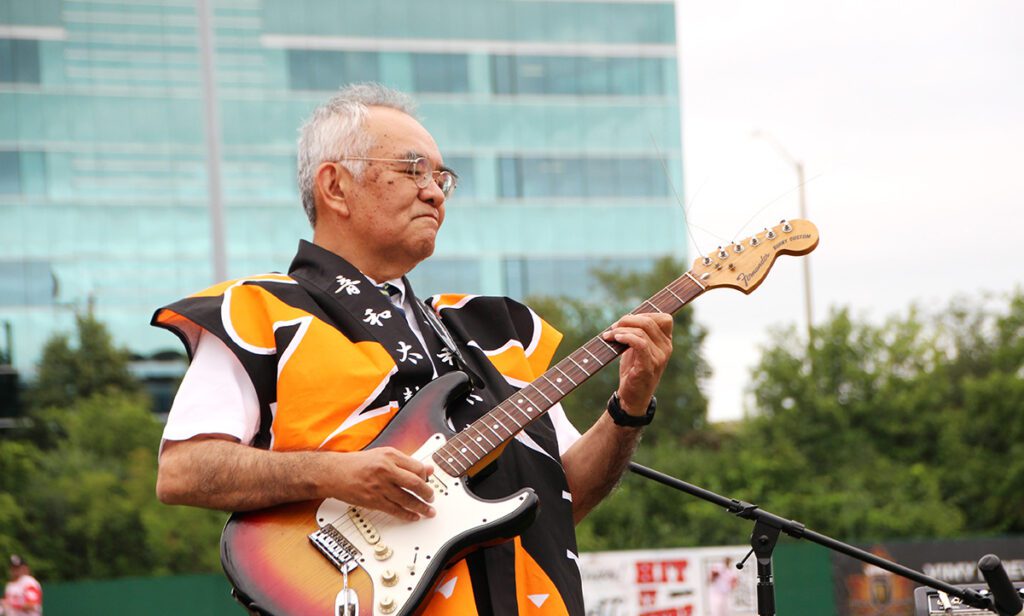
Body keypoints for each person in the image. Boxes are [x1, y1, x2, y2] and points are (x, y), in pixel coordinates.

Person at [154, 83, 673, 615]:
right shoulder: (260, 310)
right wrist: (335, 474)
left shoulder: (496, 332)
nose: (435, 192)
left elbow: (564, 499)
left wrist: (628, 408)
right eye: (413, 170)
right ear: (334, 186)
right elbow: (183, 470)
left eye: (442, 178)